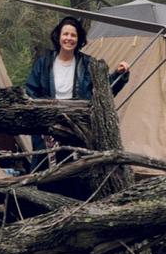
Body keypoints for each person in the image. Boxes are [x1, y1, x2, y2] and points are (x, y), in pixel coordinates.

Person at [25, 16, 130, 171]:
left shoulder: (88, 63)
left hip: (78, 126)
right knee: (46, 173)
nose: (69, 38)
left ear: (79, 38)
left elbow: (103, 92)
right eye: (65, 34)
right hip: (48, 127)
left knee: (76, 173)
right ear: (58, 36)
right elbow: (31, 92)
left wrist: (119, 75)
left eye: (73, 35)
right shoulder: (44, 63)